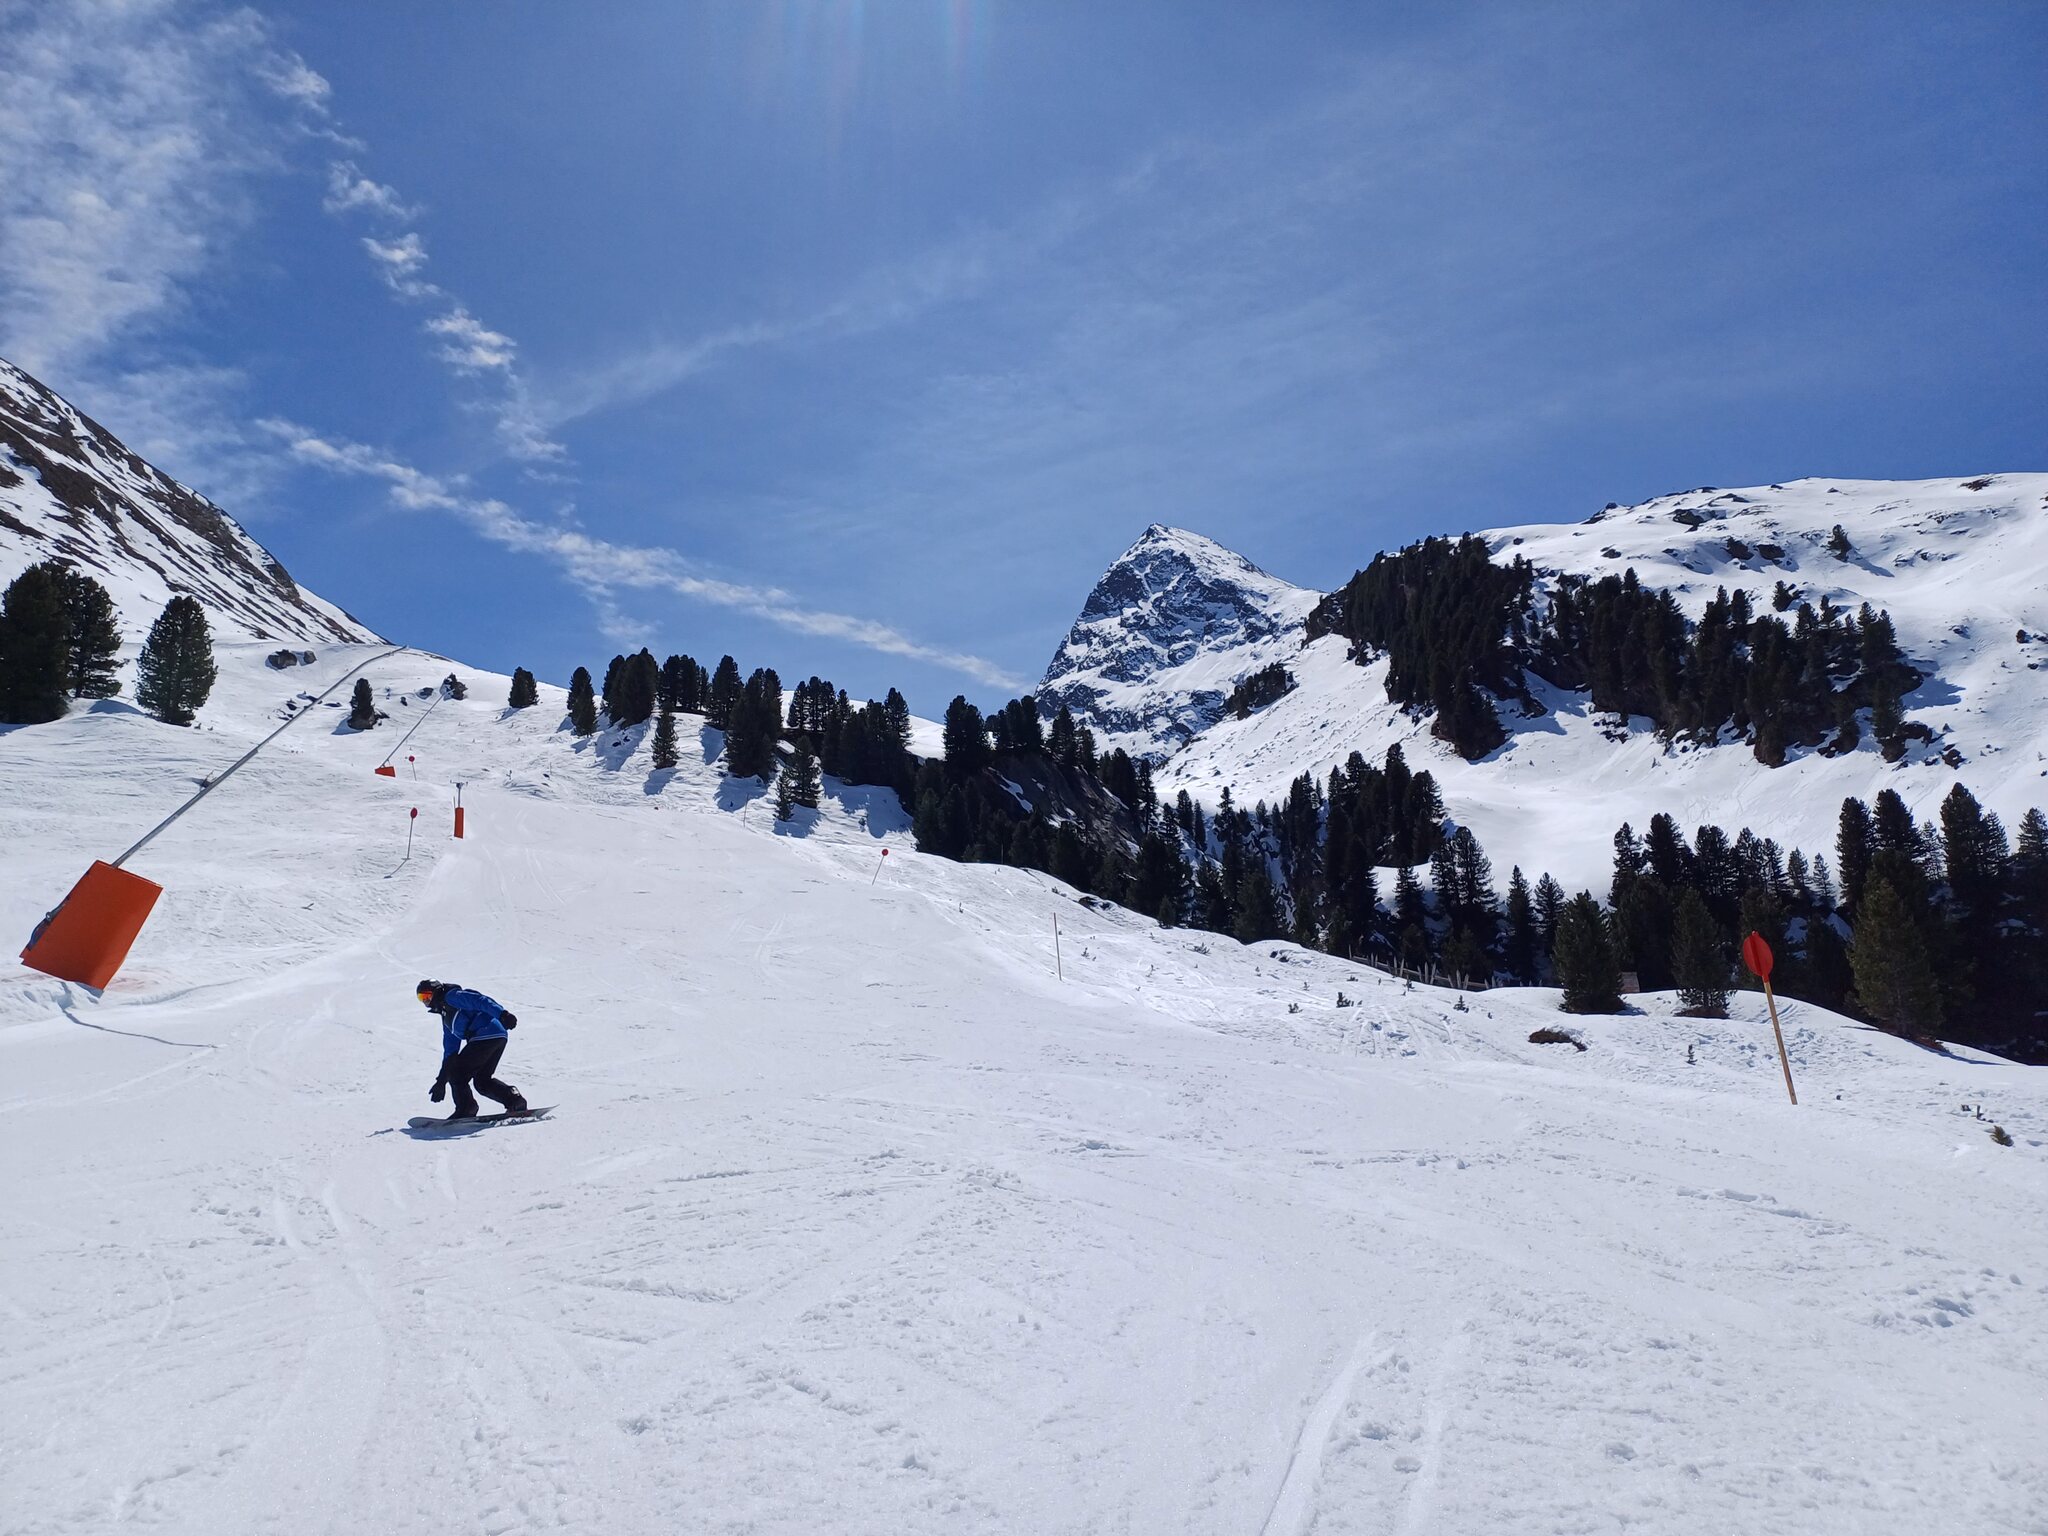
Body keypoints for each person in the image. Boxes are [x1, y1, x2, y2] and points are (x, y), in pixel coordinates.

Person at [418, 979, 528, 1120]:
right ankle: (515, 1101)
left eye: (427, 996)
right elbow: (450, 1052)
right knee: (482, 1081)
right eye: (421, 998)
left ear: (436, 991)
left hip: (485, 1034)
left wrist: (502, 1014)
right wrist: (441, 1081)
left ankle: (466, 1108)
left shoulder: (452, 996)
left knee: (457, 1074)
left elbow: (479, 1001)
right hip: (497, 1037)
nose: (426, 1001)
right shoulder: (447, 1018)